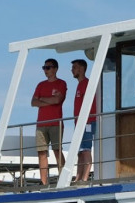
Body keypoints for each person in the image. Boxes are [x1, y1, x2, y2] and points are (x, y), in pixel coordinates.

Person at [30, 58, 67, 186]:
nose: (46, 70)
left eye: (48, 67)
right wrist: (49, 100)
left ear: (55, 69)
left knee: (57, 150)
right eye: (44, 67)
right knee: (42, 152)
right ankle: (43, 181)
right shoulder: (40, 85)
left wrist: (42, 100)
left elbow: (58, 100)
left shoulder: (61, 83)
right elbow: (33, 102)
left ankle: (63, 178)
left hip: (55, 123)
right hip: (41, 124)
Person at [70, 58, 97, 183]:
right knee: (80, 151)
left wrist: (85, 120)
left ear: (81, 69)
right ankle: (78, 177)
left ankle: (85, 177)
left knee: (86, 149)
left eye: (74, 67)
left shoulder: (86, 83)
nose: (72, 70)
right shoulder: (80, 84)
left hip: (87, 122)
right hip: (79, 123)